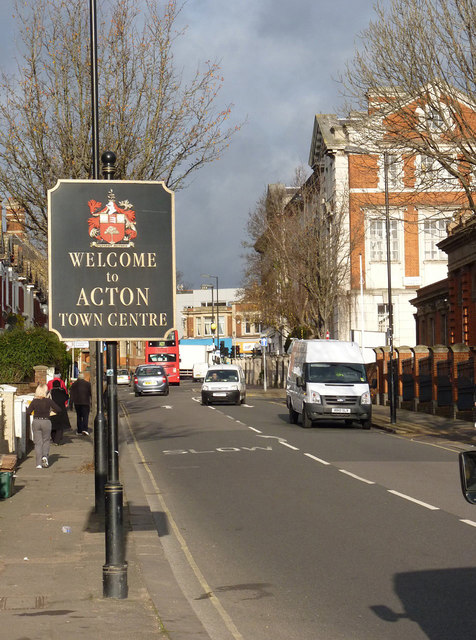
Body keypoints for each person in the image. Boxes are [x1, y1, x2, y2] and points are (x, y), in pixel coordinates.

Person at [26, 383, 61, 469]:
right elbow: (59, 409)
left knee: (38, 443)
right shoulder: (48, 401)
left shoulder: (34, 401)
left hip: (36, 421)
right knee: (46, 440)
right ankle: (45, 456)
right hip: (46, 421)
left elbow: (28, 412)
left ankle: (38, 464)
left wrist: (33, 412)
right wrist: (52, 413)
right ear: (46, 391)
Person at [49, 379, 71, 445]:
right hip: (61, 410)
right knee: (60, 426)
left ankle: (54, 439)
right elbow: (67, 397)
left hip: (53, 410)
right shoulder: (62, 391)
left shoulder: (51, 392)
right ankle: (57, 441)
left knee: (52, 425)